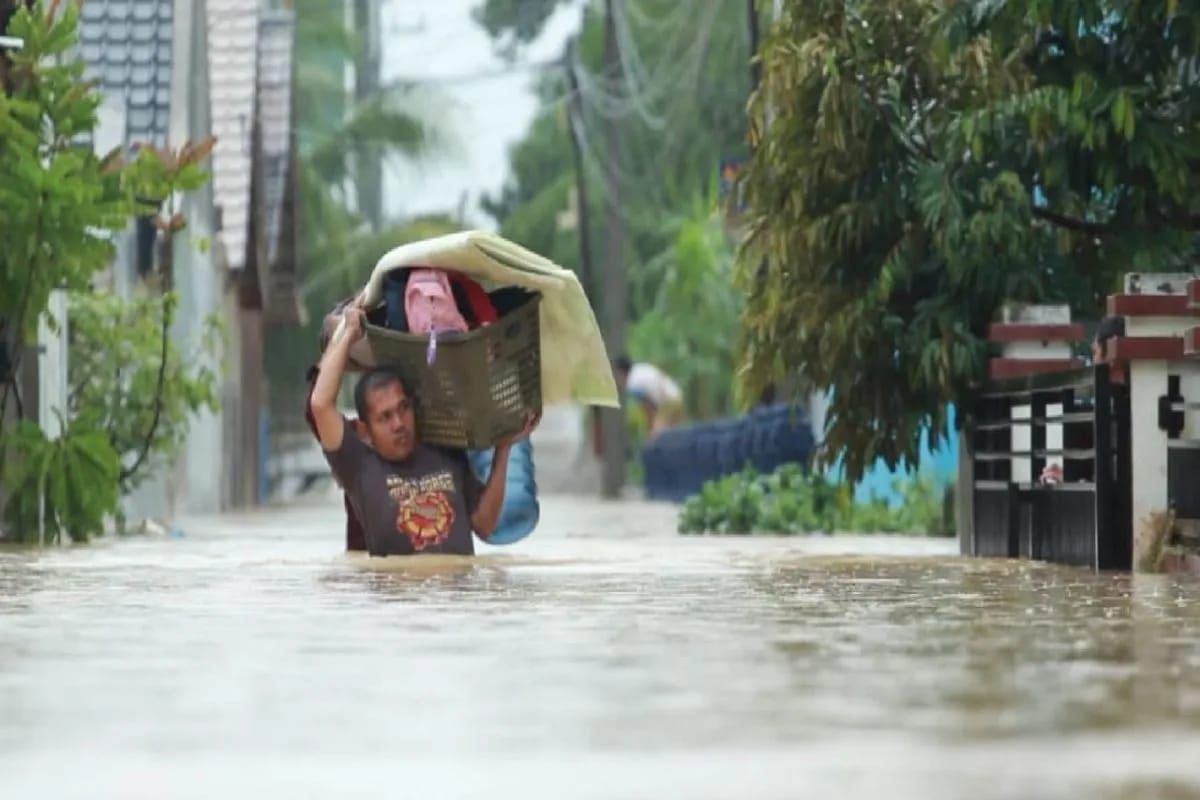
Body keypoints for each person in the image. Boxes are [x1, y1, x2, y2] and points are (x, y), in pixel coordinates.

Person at [309, 304, 538, 556]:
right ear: (365, 430)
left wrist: (503, 450)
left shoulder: (446, 449)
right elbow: (320, 404)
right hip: (397, 594)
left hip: (458, 594)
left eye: (403, 408)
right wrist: (348, 331)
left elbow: (484, 525)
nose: (399, 423)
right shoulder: (358, 466)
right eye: (385, 417)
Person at [1039, 315, 1126, 486]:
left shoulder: (1103, 412)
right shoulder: (1096, 413)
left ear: (1111, 353)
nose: (1093, 361)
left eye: (1095, 352)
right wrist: (1065, 476)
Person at [613, 355, 685, 439]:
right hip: (676, 395)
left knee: (656, 436)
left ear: (621, 372)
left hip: (668, 401)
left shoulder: (632, 383)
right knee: (674, 433)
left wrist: (651, 426)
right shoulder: (640, 369)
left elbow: (648, 406)